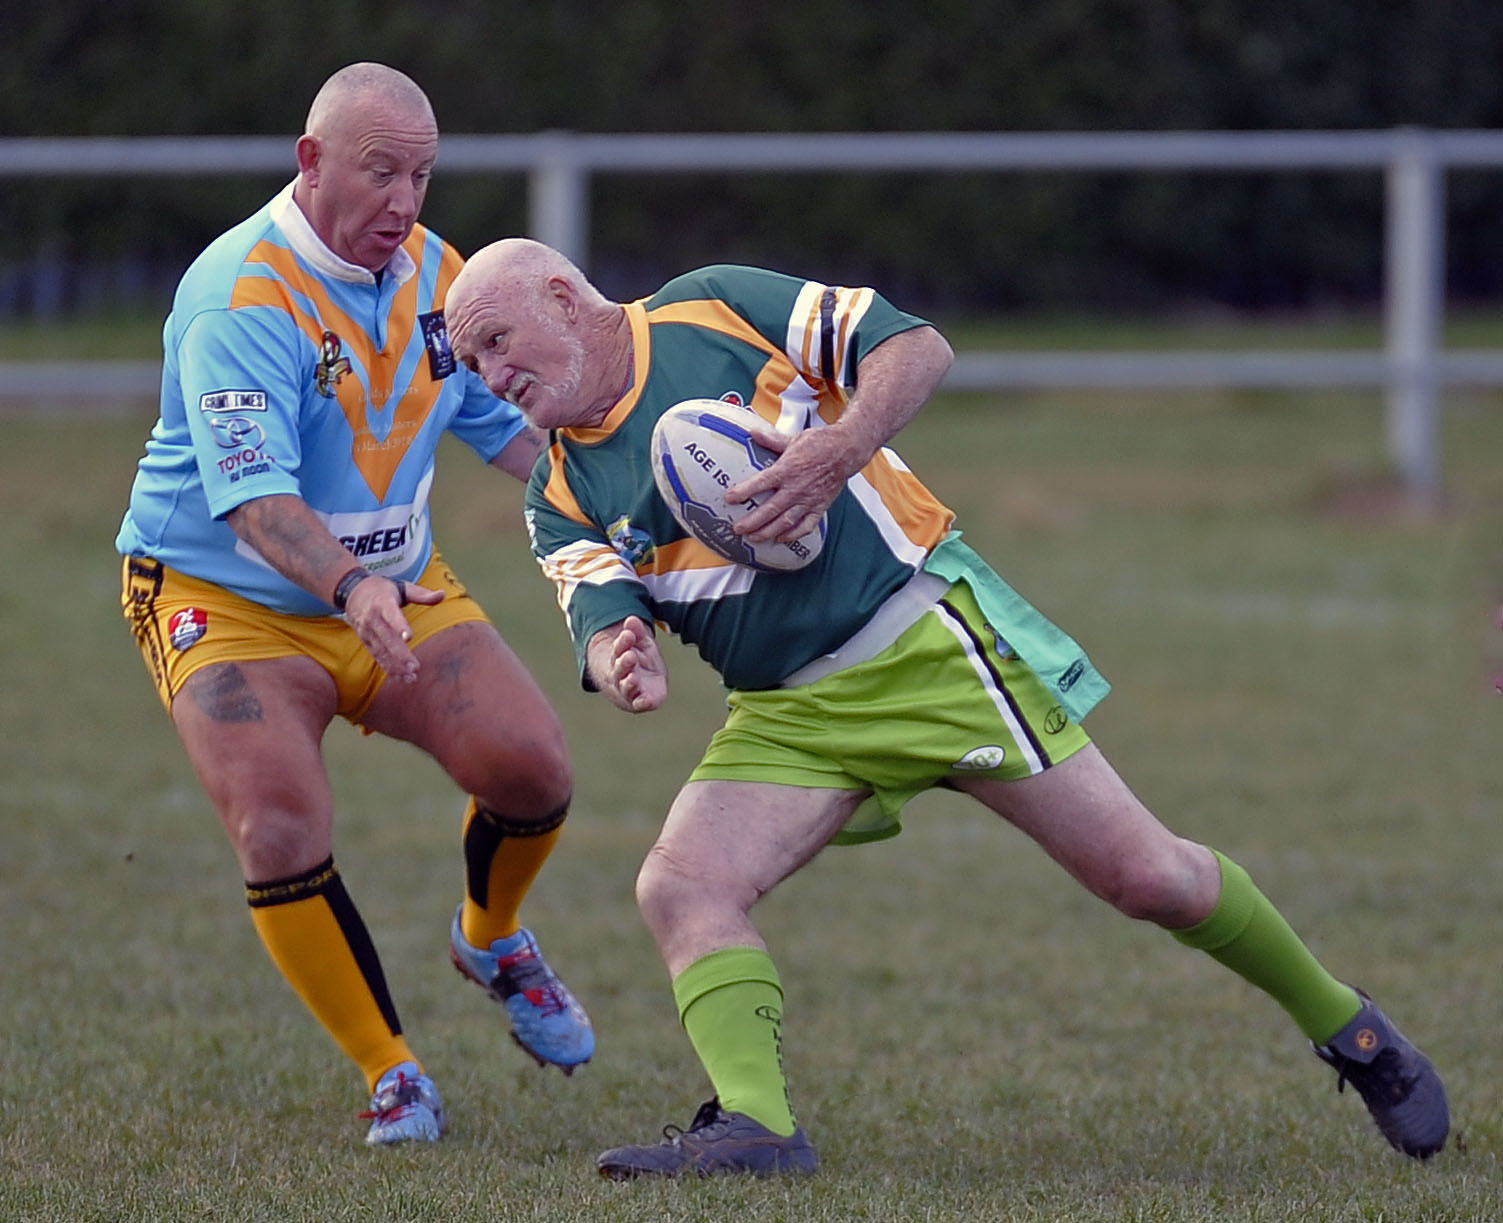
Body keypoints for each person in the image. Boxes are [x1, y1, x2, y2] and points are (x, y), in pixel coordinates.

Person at [443, 238, 1450, 1178]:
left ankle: (1353, 1030)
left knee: (1150, 876)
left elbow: (915, 346)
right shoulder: (558, 492)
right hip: (788, 714)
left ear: (563, 297)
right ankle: (758, 1123)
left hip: (925, 646)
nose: (489, 375)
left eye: (495, 340)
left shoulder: (711, 307)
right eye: (471, 363)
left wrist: (838, 449)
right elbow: (598, 609)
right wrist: (620, 657)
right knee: (681, 884)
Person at [115, 66, 594, 1147]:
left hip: (395, 580)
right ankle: (393, 1072)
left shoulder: (441, 276)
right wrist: (349, 585)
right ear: (311, 160)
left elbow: (507, 431)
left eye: (422, 176)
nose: (405, 202)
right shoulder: (242, 292)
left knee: (533, 767)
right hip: (222, 594)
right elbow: (254, 499)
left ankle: (491, 936)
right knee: (279, 822)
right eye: (382, 173)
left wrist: (621, 501)